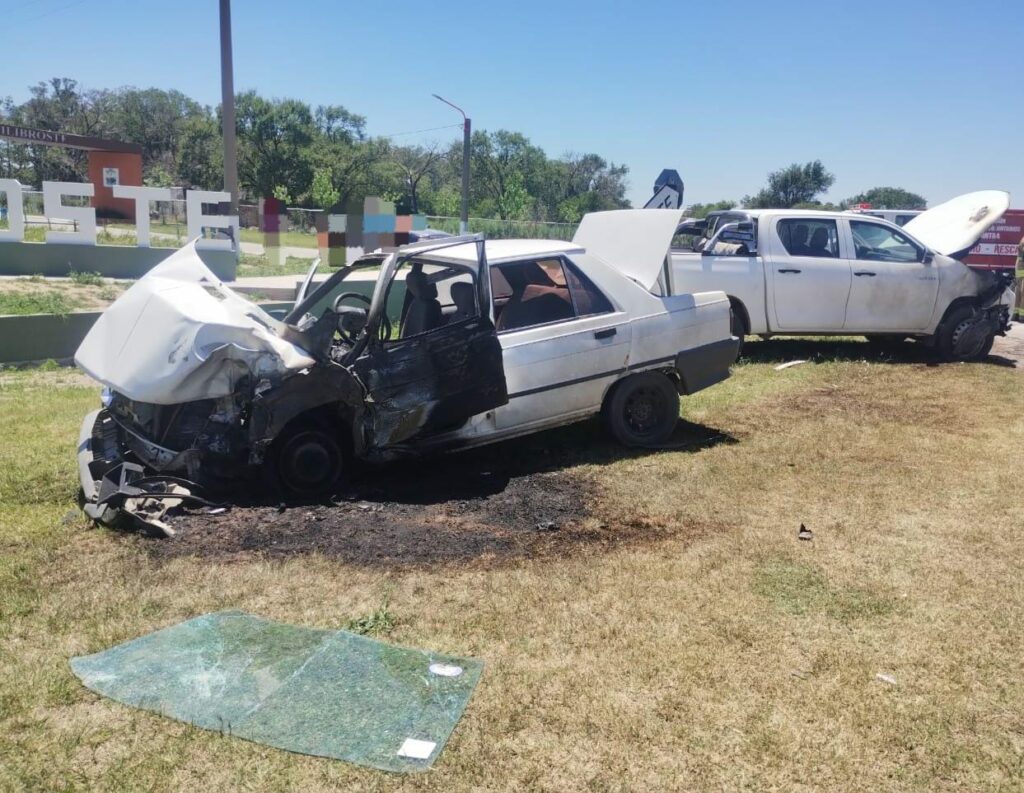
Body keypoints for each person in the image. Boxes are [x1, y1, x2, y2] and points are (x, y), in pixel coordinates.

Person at [1016, 235, 1024, 323]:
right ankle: (1022, 316)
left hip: (1020, 269)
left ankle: (1016, 314)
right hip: (1022, 269)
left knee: (1018, 293)